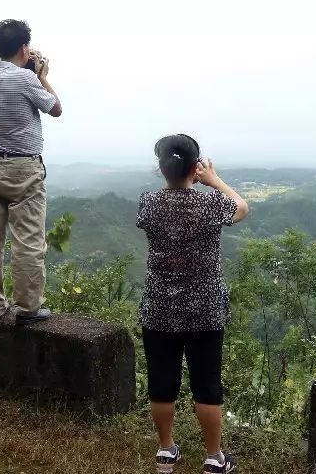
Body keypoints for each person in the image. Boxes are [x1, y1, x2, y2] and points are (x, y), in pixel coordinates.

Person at [136, 134, 250, 474]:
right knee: (207, 385)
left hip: (158, 308)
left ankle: (166, 451)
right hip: (204, 311)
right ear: (194, 166)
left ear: (161, 168)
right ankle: (214, 457)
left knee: (162, 382)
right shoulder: (209, 205)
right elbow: (242, 208)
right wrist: (213, 180)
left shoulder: (149, 203)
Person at [0, 19, 62, 325]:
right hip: (23, 168)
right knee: (28, 240)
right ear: (24, 48)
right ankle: (28, 308)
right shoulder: (28, 81)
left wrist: (27, 69)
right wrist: (42, 75)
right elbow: (55, 108)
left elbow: (9, 82)